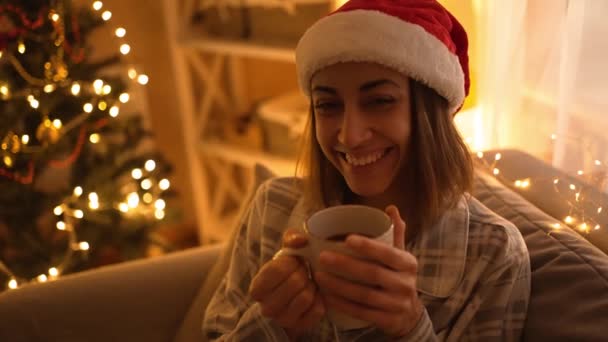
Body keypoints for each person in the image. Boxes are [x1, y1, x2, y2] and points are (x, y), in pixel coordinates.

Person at [203, 0, 531, 340]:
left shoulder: (493, 254)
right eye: (328, 105)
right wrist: (274, 323)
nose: (350, 135)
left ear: (428, 112)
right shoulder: (272, 207)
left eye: (379, 101)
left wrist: (411, 327)